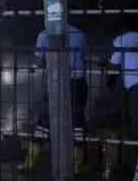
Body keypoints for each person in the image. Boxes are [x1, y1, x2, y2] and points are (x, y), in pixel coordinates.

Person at [21, 24, 89, 172]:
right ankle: (76, 165)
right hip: (78, 82)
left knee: (45, 120)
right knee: (78, 120)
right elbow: (83, 58)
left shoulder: (44, 34)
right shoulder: (79, 33)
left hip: (56, 82)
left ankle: (30, 162)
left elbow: (40, 63)